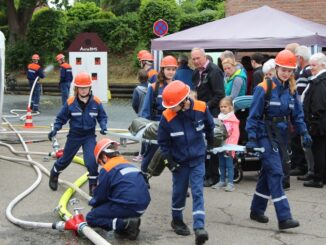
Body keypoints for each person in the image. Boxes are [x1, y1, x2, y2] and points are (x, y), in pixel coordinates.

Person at [246, 50, 312, 230]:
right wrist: (251, 138)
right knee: (276, 172)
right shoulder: (264, 87)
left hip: (282, 137)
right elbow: (253, 116)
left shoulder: (291, 90)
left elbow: (297, 115)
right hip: (264, 135)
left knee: (268, 173)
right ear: (276, 68)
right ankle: (284, 217)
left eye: (290, 70)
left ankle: (256, 210)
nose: (286, 73)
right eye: (283, 69)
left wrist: (304, 132)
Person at [158, 80, 214, 245]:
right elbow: (163, 143)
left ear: (184, 102)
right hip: (180, 162)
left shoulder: (201, 108)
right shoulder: (167, 116)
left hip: (197, 159)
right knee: (179, 193)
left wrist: (210, 145)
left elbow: (210, 127)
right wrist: (169, 162)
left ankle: (199, 228)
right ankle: (177, 221)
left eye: (173, 106)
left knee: (197, 192)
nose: (170, 109)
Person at [48, 72, 108, 196]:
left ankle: (93, 185)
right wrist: (55, 128)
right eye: (81, 87)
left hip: (89, 136)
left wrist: (103, 125)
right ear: (76, 88)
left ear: (90, 87)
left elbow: (102, 117)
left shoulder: (96, 102)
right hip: (74, 136)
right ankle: (54, 174)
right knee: (65, 160)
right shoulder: (70, 102)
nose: (84, 90)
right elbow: (61, 118)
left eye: (86, 87)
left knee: (91, 161)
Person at [86, 138, 151, 240]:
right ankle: (128, 224)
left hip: (128, 205)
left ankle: (125, 225)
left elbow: (100, 196)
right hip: (142, 205)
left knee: (91, 217)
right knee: (113, 208)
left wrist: (94, 205)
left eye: (100, 162)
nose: (101, 165)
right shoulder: (128, 164)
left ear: (104, 156)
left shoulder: (107, 168)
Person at [191, 48, 225, 188]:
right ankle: (202, 174)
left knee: (212, 145)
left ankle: (213, 176)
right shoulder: (196, 72)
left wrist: (205, 106)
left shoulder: (214, 71)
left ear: (204, 57)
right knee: (201, 145)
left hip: (212, 113)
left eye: (198, 58)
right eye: (193, 59)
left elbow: (220, 95)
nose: (196, 61)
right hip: (199, 112)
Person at [139, 55, 177, 176]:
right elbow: (146, 109)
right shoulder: (154, 87)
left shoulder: (178, 86)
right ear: (162, 70)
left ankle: (180, 183)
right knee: (151, 153)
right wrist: (147, 127)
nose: (171, 72)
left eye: (173, 69)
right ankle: (143, 176)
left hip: (175, 124)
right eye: (168, 69)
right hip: (158, 124)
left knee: (177, 155)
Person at [303, 52, 326, 188]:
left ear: (322, 65)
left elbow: (318, 104)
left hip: (319, 122)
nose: (311, 68)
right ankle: (321, 177)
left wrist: (312, 121)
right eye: (310, 65)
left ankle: (318, 178)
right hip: (321, 121)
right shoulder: (319, 79)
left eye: (314, 65)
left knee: (318, 150)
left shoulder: (319, 82)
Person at [290, 46, 313, 178]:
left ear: (299, 58)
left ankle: (302, 167)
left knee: (299, 140)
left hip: (303, 111)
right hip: (306, 111)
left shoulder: (305, 72)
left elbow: (299, 93)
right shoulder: (307, 71)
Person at [212, 97, 240, 192]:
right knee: (221, 164)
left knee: (229, 165)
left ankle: (231, 183)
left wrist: (231, 146)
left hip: (229, 146)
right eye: (221, 106)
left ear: (230, 108)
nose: (223, 108)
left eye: (225, 106)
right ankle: (222, 180)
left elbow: (236, 134)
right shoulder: (219, 118)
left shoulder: (233, 120)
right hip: (220, 145)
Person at [131, 69, 148, 162]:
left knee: (142, 135)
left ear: (138, 77)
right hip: (150, 114)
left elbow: (134, 104)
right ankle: (148, 154)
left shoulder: (137, 89)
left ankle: (141, 155)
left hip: (141, 114)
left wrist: (138, 111)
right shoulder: (151, 87)